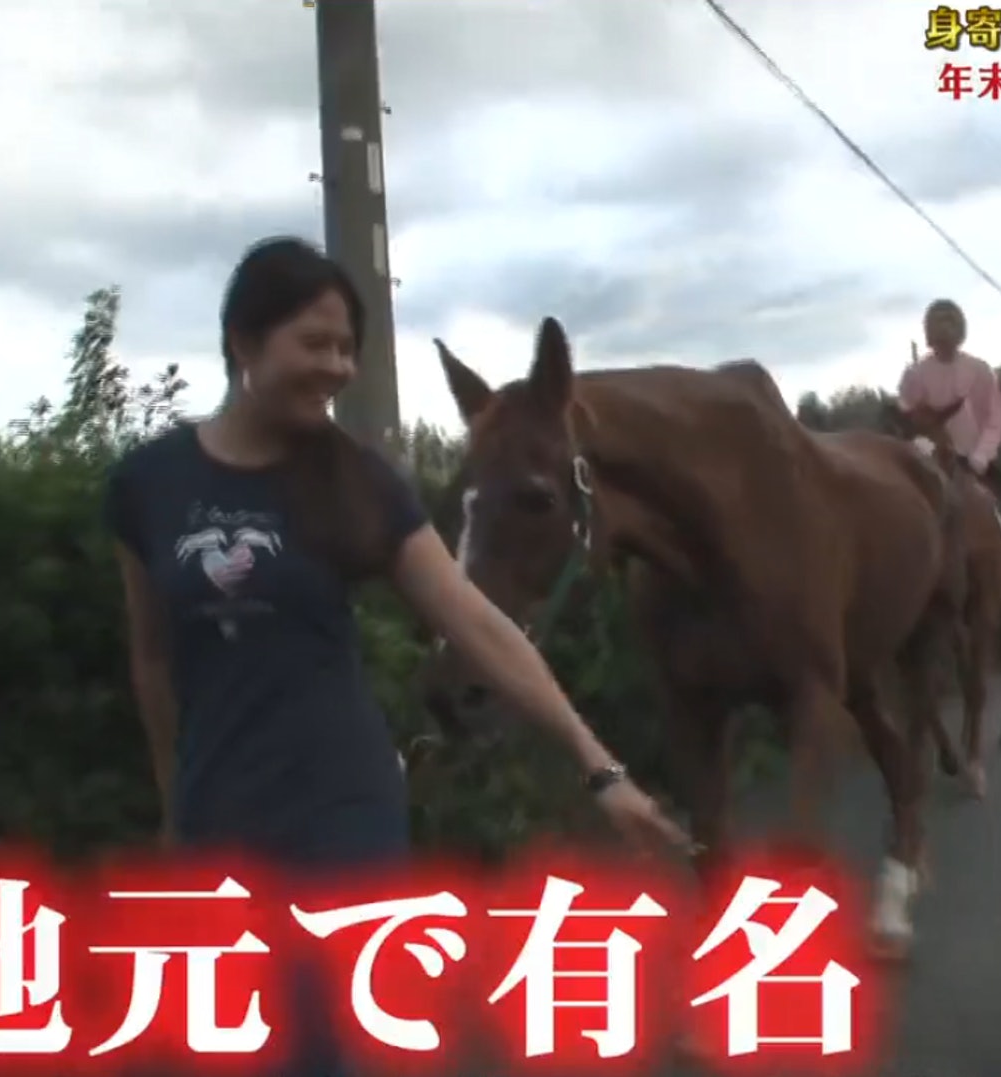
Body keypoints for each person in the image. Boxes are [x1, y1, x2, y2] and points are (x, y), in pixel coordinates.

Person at [104, 237, 687, 1075]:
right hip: (218, 814)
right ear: (242, 341)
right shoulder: (147, 485)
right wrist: (175, 804)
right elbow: (154, 660)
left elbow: (479, 624)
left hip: (342, 808)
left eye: (348, 347)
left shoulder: (359, 480)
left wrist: (599, 765)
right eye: (316, 343)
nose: (338, 366)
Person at [897, 298, 1001, 598]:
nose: (944, 337)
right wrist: (919, 450)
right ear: (929, 334)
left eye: (950, 328)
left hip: (973, 459)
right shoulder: (915, 375)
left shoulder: (979, 370)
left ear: (960, 332)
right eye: (937, 329)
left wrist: (981, 456)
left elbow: (993, 419)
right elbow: (907, 417)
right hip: (930, 460)